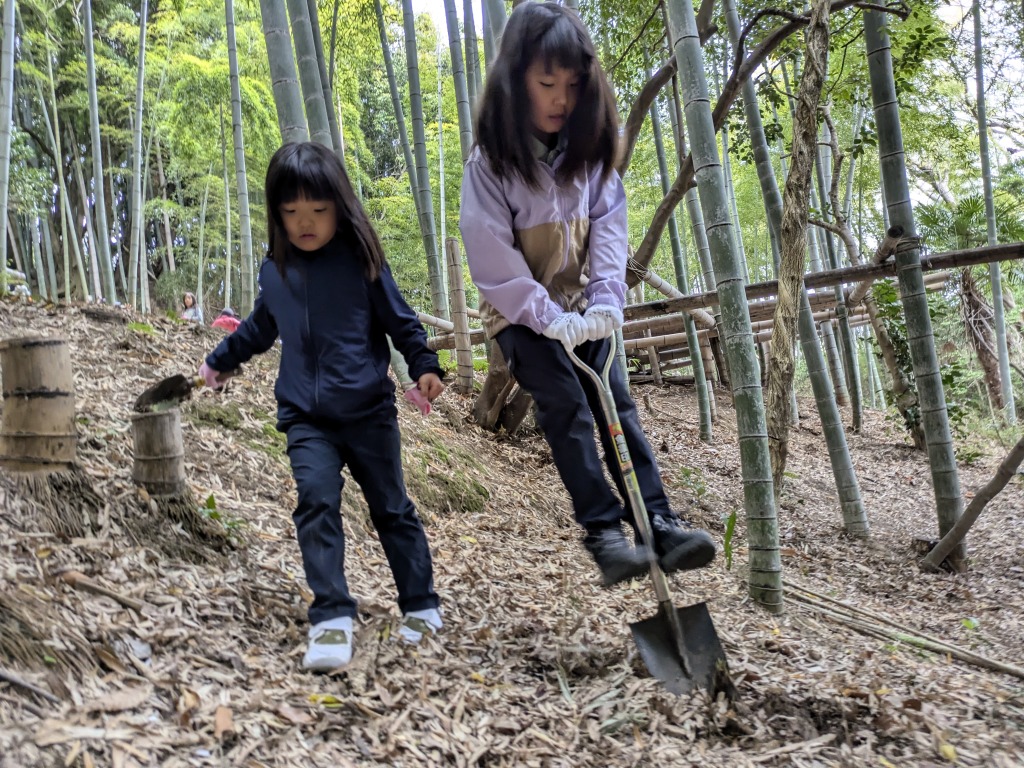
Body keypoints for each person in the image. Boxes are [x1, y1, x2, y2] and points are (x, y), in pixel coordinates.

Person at [459, 2, 715, 588]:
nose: (560, 99)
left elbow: (609, 231)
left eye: (573, 86)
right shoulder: (490, 165)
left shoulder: (591, 157)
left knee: (616, 405)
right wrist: (545, 316)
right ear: (515, 80)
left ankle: (658, 521)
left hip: (585, 310)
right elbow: (491, 255)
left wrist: (605, 301)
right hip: (520, 315)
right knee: (567, 405)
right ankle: (603, 533)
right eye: (546, 83)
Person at [198, 141, 446, 672]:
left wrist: (424, 364)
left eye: (317, 209)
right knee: (315, 502)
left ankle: (421, 605)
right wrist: (219, 361)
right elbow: (260, 328)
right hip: (305, 416)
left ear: (340, 207)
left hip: (368, 411)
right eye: (291, 211)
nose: (305, 222)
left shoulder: (362, 262)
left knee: (391, 507)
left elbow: (401, 320)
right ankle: (331, 617)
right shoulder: (276, 270)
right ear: (276, 214)